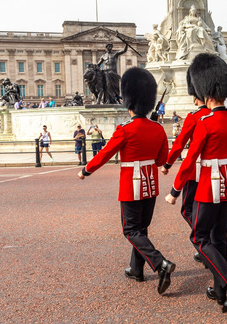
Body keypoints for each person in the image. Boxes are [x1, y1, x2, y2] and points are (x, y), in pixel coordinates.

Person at [78, 67, 174, 295]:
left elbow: (104, 154)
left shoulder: (125, 129)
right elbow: (162, 159)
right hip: (151, 186)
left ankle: (160, 263)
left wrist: (86, 170)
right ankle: (136, 269)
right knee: (141, 229)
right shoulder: (158, 129)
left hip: (131, 186)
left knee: (130, 231)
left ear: (128, 102)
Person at [164, 53, 227, 313]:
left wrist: (175, 190)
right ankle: (220, 290)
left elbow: (189, 161)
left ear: (205, 92)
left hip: (207, 186)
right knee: (219, 238)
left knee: (199, 237)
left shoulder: (205, 122)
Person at [161, 69, 210, 264]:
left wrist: (168, 163)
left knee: (187, 209)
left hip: (194, 170)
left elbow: (180, 143)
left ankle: (204, 243)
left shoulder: (194, 116)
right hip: (214, 172)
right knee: (206, 209)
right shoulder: (217, 115)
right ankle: (207, 245)